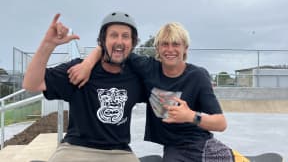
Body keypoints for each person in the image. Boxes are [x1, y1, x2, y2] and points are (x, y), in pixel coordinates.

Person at [68, 22, 249, 162]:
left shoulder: (198, 76)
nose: (170, 50)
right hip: (173, 149)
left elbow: (221, 123)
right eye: (165, 44)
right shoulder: (148, 69)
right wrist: (87, 64)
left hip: (202, 144)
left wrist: (191, 116)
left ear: (185, 48)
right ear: (158, 49)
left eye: (176, 44)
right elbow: (113, 46)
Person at [22, 12, 147, 162]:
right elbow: (32, 84)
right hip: (76, 148)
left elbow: (164, 88)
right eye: (113, 35)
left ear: (132, 43)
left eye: (125, 36)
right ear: (102, 41)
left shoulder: (136, 77)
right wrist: (48, 44)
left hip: (119, 152)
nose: (120, 41)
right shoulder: (79, 69)